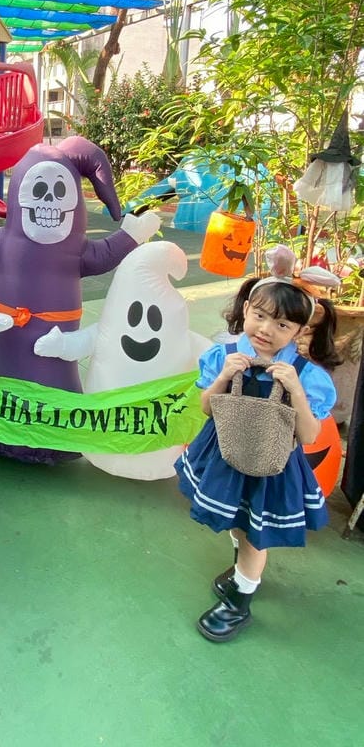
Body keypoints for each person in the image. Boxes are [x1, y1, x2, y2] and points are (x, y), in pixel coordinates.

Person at [175, 245, 340, 642]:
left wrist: (295, 391)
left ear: (300, 331)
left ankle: (240, 601)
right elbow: (206, 408)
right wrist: (222, 378)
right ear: (247, 309)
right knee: (238, 523)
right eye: (260, 316)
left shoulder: (305, 375)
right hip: (224, 455)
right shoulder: (225, 354)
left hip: (270, 467)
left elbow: (309, 436)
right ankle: (242, 574)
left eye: (282, 324)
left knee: (253, 534)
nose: (266, 330)